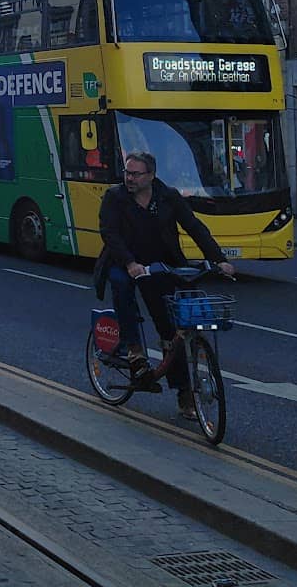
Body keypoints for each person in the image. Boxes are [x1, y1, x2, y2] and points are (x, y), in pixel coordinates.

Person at [94, 151, 235, 418]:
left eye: (136, 174)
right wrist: (130, 263)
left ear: (151, 175)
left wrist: (219, 260)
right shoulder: (115, 197)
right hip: (125, 262)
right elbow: (109, 233)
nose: (129, 178)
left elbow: (194, 226)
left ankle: (185, 396)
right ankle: (134, 349)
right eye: (127, 172)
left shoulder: (167, 196)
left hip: (161, 265)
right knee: (122, 286)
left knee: (172, 330)